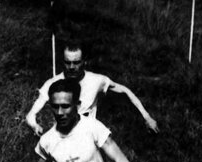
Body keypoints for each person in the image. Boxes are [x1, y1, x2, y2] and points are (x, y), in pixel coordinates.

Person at [25, 43, 158, 136]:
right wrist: (35, 126)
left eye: (76, 62)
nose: (71, 67)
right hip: (62, 138)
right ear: (63, 61)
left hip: (89, 138)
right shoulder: (52, 84)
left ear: (84, 62)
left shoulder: (96, 80)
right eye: (67, 62)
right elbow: (31, 114)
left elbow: (124, 90)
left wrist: (147, 117)